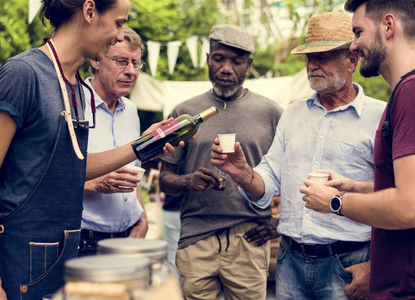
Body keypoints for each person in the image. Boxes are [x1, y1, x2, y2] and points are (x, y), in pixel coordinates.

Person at [0, 1, 184, 299]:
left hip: (65, 259)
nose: (120, 36)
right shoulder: (22, 74)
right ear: (90, 11)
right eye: (118, 23)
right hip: (19, 262)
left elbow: (72, 166)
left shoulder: (73, 85)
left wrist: (143, 146)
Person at [211, 12, 386, 300]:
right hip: (290, 260)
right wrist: (241, 172)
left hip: (350, 263)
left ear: (352, 61)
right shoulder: (292, 113)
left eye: (324, 57)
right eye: (309, 58)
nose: (313, 65)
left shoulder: (379, 117)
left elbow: (394, 197)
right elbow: (269, 178)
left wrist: (376, 265)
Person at [300, 1, 415, 298]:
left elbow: (409, 206)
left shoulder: (409, 93)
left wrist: (336, 202)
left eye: (358, 31)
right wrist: (357, 187)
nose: (354, 44)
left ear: (388, 26)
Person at [159, 24, 283, 300]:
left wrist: (278, 222)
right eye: (218, 59)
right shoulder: (184, 112)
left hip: (250, 237)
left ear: (248, 65)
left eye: (236, 61)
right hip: (195, 238)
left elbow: (292, 174)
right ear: (207, 59)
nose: (226, 68)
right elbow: (164, 180)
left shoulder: (270, 112)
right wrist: (188, 180)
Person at [78, 26, 148, 257]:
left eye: (136, 63)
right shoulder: (73, 105)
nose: (131, 71)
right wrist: (95, 185)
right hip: (86, 245)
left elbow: (132, 175)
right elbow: (48, 181)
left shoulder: (131, 110)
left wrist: (142, 219)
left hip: (129, 240)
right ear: (95, 60)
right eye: (121, 61)